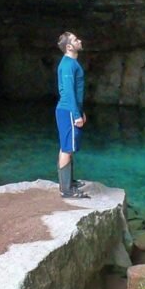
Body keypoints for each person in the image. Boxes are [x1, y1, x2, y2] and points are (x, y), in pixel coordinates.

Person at [56, 31, 89, 198]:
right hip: (68, 110)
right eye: (76, 39)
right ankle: (66, 190)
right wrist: (76, 115)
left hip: (69, 109)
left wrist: (81, 112)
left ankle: (68, 182)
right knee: (67, 149)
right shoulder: (68, 65)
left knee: (67, 146)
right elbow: (69, 92)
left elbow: (74, 91)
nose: (79, 40)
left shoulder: (70, 63)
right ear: (69, 46)